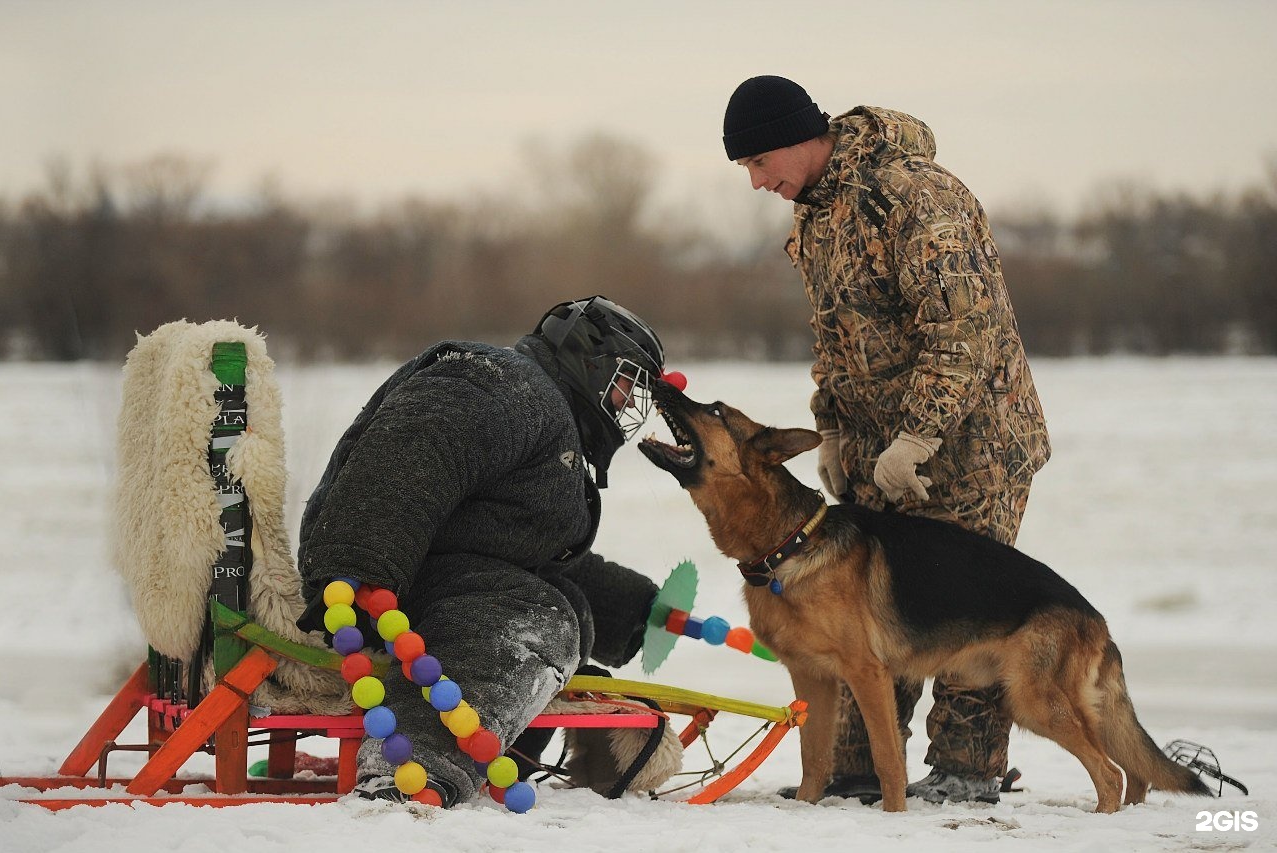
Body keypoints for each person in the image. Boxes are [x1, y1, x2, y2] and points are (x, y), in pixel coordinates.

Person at [721, 76, 1051, 805]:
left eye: (756, 163)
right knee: (868, 609)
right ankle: (863, 770)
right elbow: (837, 336)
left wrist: (918, 437)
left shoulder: (912, 197)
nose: (756, 182)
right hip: (881, 447)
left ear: (795, 139)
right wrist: (833, 424)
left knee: (962, 605)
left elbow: (965, 330)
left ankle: (966, 772)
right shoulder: (816, 216)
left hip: (973, 441)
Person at [296, 295, 668, 807]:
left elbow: (520, 554)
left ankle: (491, 756)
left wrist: (630, 609)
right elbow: (418, 446)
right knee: (537, 618)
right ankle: (409, 772)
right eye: (625, 384)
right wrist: (359, 563)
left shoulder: (547, 417)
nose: (628, 404)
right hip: (378, 578)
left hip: (440, 578)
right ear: (589, 360)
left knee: (552, 607)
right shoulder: (501, 382)